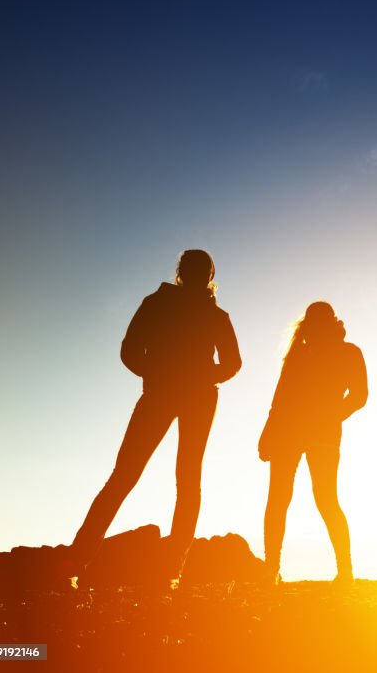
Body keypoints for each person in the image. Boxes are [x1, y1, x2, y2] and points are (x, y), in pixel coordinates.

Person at [71, 249, 241, 587]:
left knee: (147, 478)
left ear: (204, 275)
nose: (196, 275)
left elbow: (232, 362)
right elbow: (131, 351)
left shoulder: (205, 313)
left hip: (183, 397)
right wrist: (186, 375)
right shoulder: (172, 306)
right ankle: (85, 563)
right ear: (192, 273)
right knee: (158, 479)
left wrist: (189, 376)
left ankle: (162, 569)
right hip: (172, 396)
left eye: (200, 270)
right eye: (194, 270)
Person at [258, 302, 367, 586]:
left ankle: (345, 571)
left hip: (321, 435)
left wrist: (332, 416)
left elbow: (359, 395)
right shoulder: (298, 355)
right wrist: (268, 432)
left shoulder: (349, 352)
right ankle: (272, 570)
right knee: (281, 499)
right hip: (289, 433)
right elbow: (279, 398)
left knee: (324, 499)